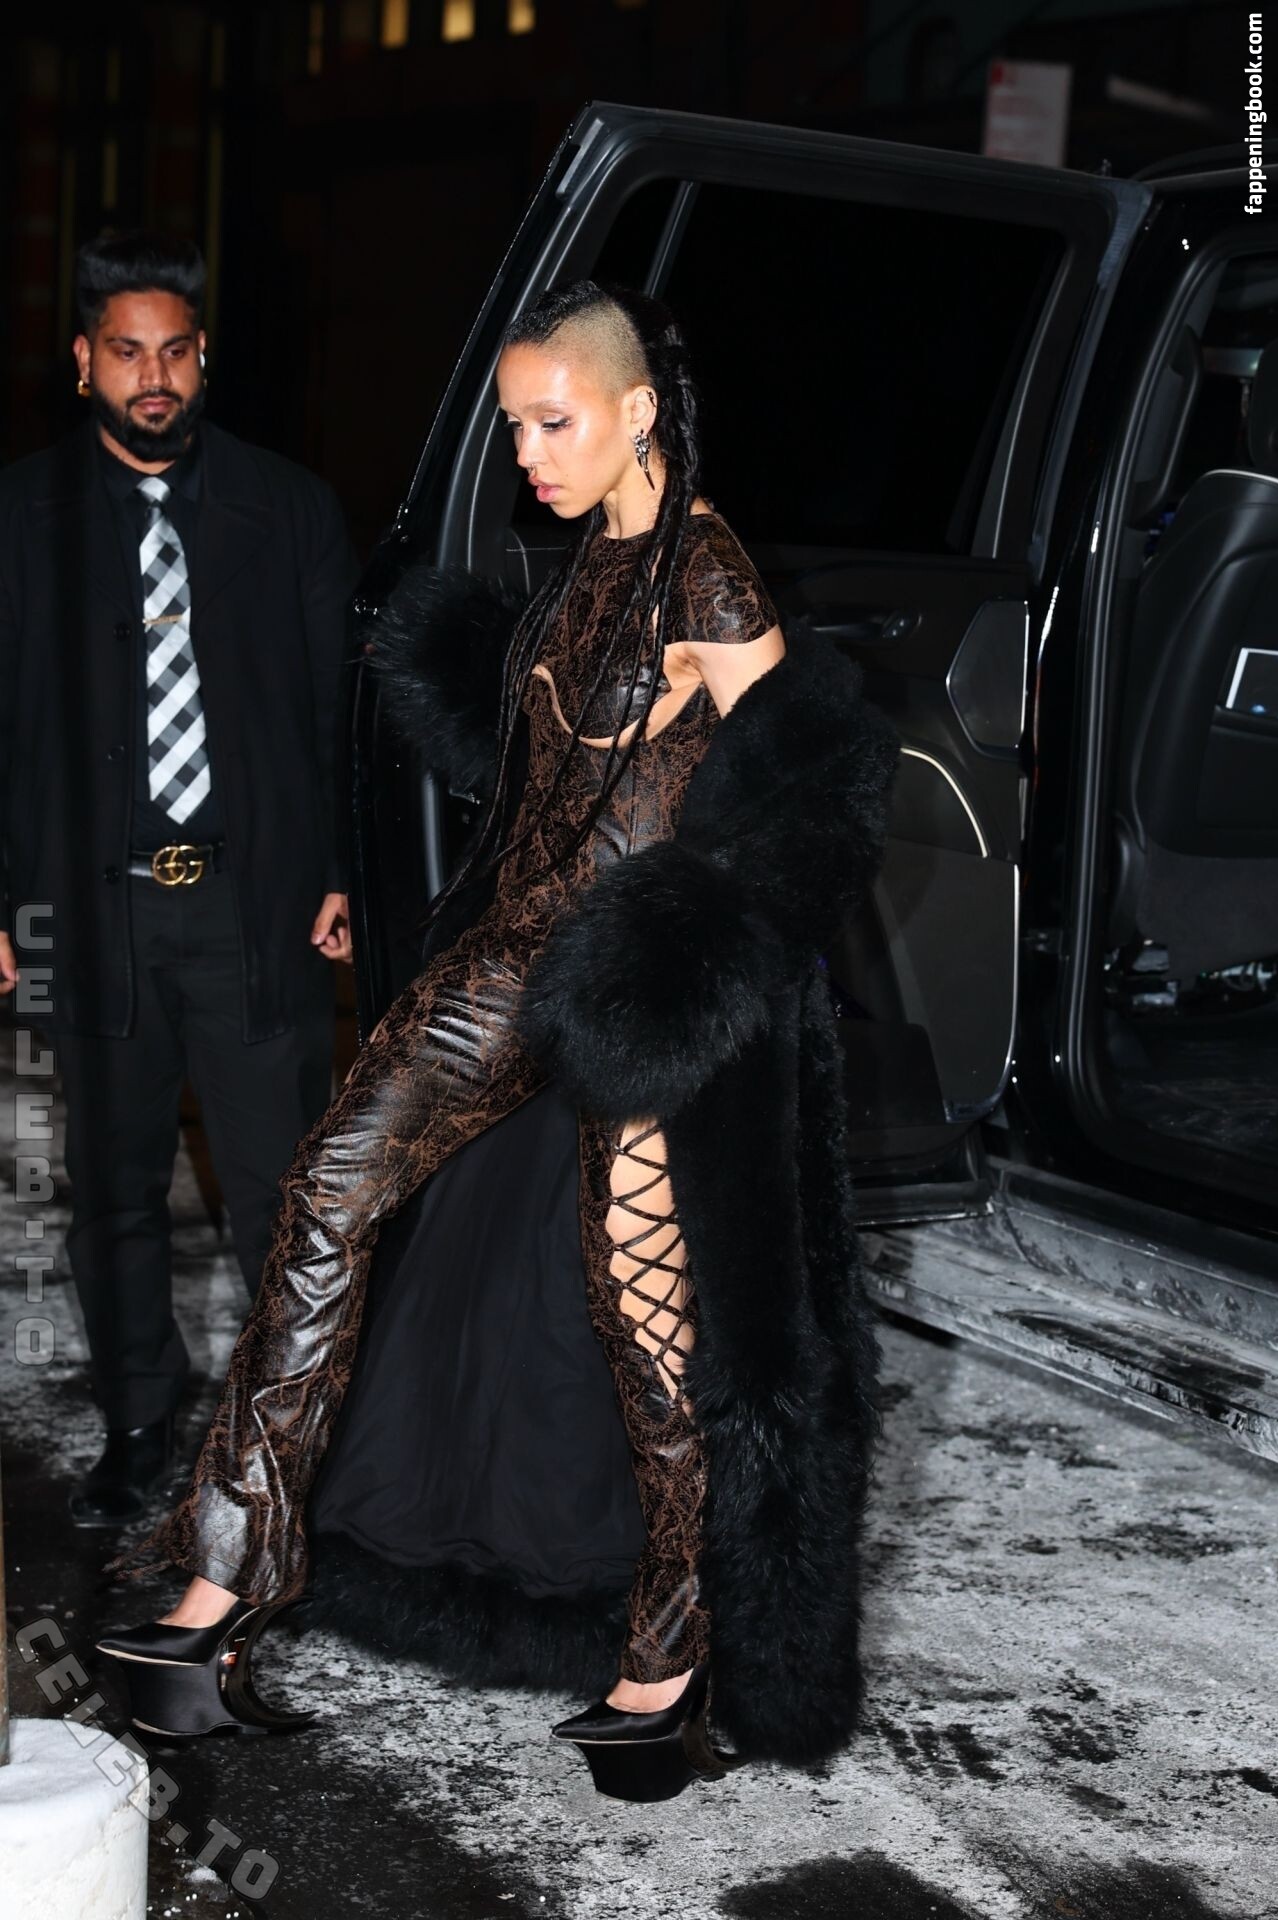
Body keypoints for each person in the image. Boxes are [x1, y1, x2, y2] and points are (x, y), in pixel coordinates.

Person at [98, 280, 901, 1800]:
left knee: (646, 1320)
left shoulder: (709, 575)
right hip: (501, 967)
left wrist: (693, 981)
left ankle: (664, 1665)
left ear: (636, 411)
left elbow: (802, 815)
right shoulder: (580, 557)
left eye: (553, 422)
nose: (529, 454)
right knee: (326, 1199)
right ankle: (213, 1597)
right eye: (516, 426)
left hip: (629, 992)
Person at [0, 232, 358, 1527]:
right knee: (113, 1190)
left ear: (203, 358)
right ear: (84, 361)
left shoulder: (288, 508)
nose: (152, 378)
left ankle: (287, 1441)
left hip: (253, 906)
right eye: (126, 353)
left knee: (283, 1193)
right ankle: (141, 1424)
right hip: (84, 908)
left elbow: (337, 708)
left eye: (173, 353)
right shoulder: (22, 516)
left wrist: (342, 872)